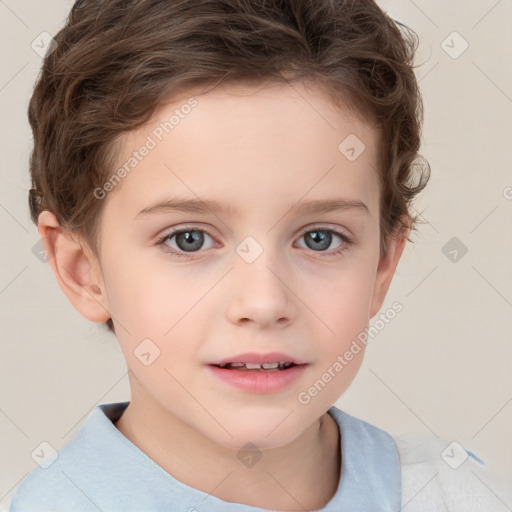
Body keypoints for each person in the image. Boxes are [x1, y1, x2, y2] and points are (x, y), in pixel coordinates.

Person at [9, 0, 511, 510]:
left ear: (383, 265)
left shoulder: (455, 498)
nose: (264, 301)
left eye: (320, 238)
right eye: (189, 239)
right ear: (83, 271)